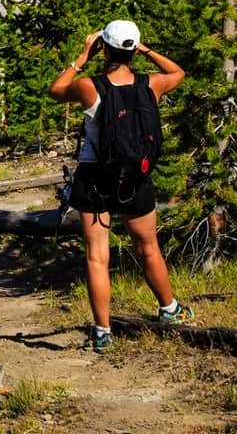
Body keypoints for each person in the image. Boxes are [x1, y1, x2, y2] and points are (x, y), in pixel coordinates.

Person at [49, 20, 192, 353]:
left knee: (97, 257)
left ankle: (103, 332)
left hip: (95, 178)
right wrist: (146, 50)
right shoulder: (151, 84)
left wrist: (82, 57)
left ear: (105, 48)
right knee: (148, 247)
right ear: (132, 49)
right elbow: (179, 73)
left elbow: (56, 90)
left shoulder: (90, 87)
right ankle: (169, 309)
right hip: (135, 178)